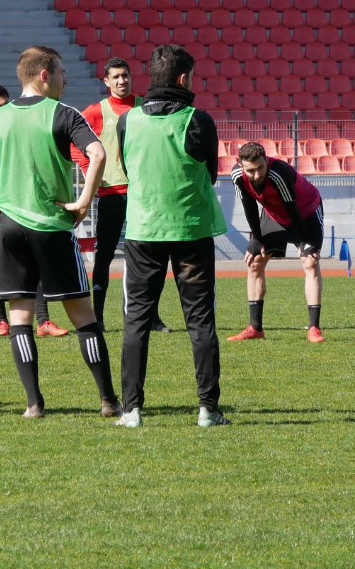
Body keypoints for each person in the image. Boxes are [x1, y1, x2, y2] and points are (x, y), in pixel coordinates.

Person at [0, 45, 120, 419]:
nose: (66, 79)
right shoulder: (62, 113)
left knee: (20, 318)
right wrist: (83, 202)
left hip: (9, 229)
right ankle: (108, 400)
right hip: (52, 227)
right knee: (83, 317)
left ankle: (33, 404)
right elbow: (99, 154)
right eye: (61, 72)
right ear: (45, 75)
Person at [113, 44, 228, 428]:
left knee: (136, 321)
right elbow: (210, 173)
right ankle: (208, 409)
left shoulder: (127, 120)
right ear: (183, 79)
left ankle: (131, 410)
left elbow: (130, 167)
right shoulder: (198, 120)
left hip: (143, 231)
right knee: (200, 322)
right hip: (191, 231)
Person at [72, 58, 168, 332]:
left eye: (125, 75)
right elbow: (70, 140)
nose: (121, 81)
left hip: (143, 193)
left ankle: (149, 317)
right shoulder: (96, 111)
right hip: (112, 192)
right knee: (104, 257)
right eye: (115, 77)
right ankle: (97, 318)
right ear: (107, 81)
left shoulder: (145, 107)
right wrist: (90, 168)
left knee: (148, 257)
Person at [0, 85, 62, 338]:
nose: (3, 111)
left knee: (34, 262)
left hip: (19, 206)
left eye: (6, 105)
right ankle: (1, 320)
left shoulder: (14, 131)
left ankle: (44, 321)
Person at [227, 142, 326, 344]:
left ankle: (314, 328)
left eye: (260, 168)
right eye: (251, 170)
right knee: (254, 260)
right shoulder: (238, 176)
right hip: (274, 214)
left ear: (267, 160)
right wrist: (256, 239)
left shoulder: (277, 173)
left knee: (309, 262)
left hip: (305, 213)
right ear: (241, 165)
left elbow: (292, 208)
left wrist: (307, 241)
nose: (256, 175)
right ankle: (255, 328)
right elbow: (249, 206)